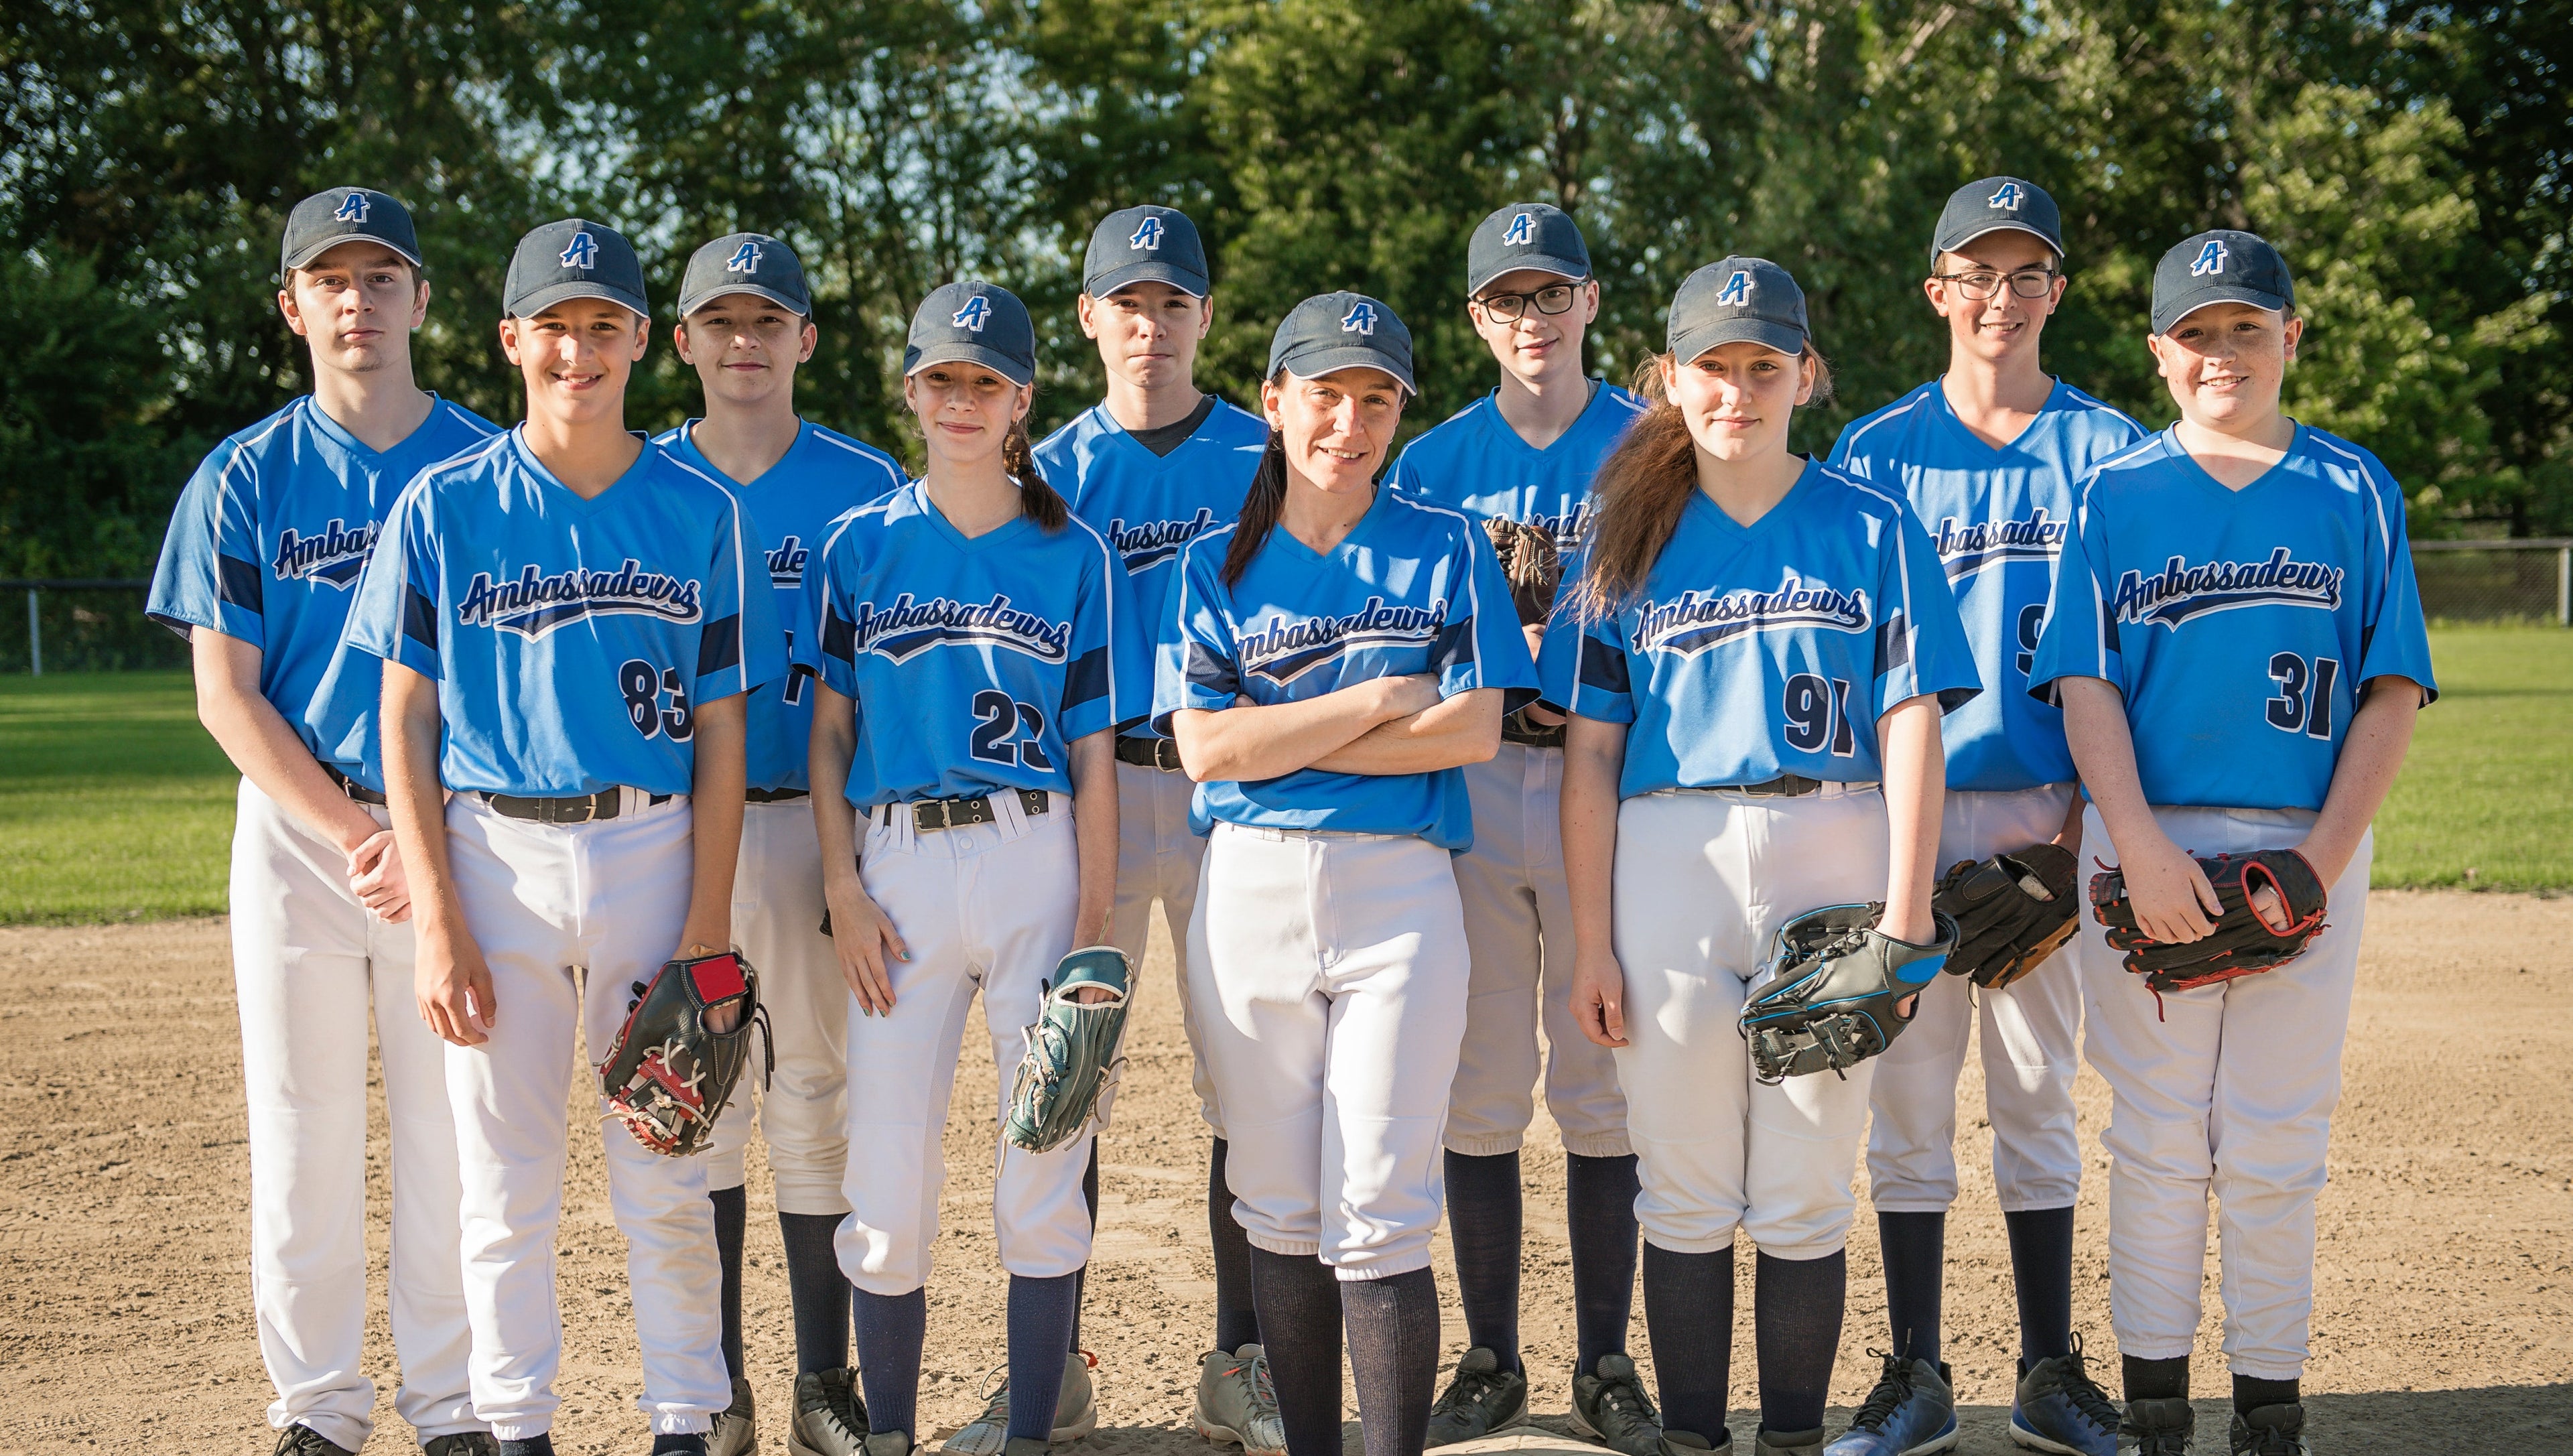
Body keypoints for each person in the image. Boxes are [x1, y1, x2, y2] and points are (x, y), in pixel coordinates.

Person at [346, 217, 783, 1456]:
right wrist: (438, 919)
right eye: (555, 328)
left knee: (665, 1168)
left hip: (651, 852)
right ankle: (514, 1425)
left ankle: (685, 1422)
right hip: (496, 859)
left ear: (643, 339)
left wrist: (706, 930)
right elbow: (405, 722)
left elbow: (721, 736)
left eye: (603, 327)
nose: (578, 353)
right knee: (503, 1180)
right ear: (509, 340)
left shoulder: (699, 511)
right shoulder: (445, 505)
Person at [1544, 258, 1979, 1456]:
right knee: (1680, 1180)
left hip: (1833, 844)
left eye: (1762, 366)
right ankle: (1694, 1436)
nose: (1737, 390)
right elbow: (1587, 757)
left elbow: (1911, 722)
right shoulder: (1627, 525)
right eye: (1713, 367)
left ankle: (1789, 1437)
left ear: (1804, 376)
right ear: (1671, 377)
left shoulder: (1869, 521)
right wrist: (1591, 940)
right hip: (1668, 854)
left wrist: (1903, 918)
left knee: (1803, 1181)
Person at [2028, 230, 2433, 1456]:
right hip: (2145, 842)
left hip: (2305, 845)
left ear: (2291, 339)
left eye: (2245, 329)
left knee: (2275, 1132)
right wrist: (2137, 846)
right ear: (2160, 353)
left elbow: (2392, 686)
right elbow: (2086, 680)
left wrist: (2322, 857)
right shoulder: (2114, 494)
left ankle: (2270, 1402)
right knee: (2153, 1131)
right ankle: (2156, 1399)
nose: (2221, 353)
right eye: (2196, 333)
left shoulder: (2356, 489)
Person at [146, 186, 501, 1456]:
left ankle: (455, 1408)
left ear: (422, 298)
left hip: (456, 832)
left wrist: (417, 831)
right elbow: (224, 694)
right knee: (301, 1131)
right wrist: (358, 826)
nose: (359, 301)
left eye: (382, 276)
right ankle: (319, 1411)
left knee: (451, 1133)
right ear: (293, 307)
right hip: (304, 836)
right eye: (332, 280)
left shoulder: (484, 464)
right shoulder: (244, 475)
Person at [1155, 291, 1538, 1456]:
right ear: (1274, 403)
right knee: (1276, 1199)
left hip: (1400, 893)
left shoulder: (1449, 542)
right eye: (1325, 393)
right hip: (1253, 890)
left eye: (1377, 398)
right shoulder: (1215, 558)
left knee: (1378, 1208)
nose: (1351, 421)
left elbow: (1474, 731)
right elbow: (1206, 749)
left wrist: (1282, 733)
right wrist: (1373, 702)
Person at [1822, 178, 2143, 1456]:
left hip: (2048, 814)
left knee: (2037, 1098)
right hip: (1904, 814)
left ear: (2054, 292)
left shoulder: (2116, 452)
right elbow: (1846, 656)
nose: (2000, 297)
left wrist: (2079, 840)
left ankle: (2051, 1368)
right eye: (1977, 272)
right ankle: (1914, 1370)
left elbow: (2131, 661)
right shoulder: (1875, 454)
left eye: (2025, 274)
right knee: (1905, 1097)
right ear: (1937, 292)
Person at [798, 281, 1136, 1456]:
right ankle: (892, 1433)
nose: (961, 399)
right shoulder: (860, 544)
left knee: (1042, 1166)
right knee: (886, 1181)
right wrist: (840, 883)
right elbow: (829, 733)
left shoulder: (1072, 548)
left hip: (1036, 852)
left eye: (984, 381)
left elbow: (1095, 757)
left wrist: (1091, 928)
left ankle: (1031, 1433)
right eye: (942, 378)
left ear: (1021, 401)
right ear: (911, 392)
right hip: (894, 869)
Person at [1386, 201, 1652, 1453]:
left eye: (1555, 294)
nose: (1533, 319)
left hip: (1616, 782)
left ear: (1594, 303)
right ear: (1477, 320)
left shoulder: (1657, 444)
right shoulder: (1431, 462)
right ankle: (1491, 1353)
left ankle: (1606, 1358)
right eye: (1509, 300)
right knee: (1481, 1078)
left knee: (1604, 1073)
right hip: (1483, 783)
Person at [1030, 204, 1284, 1456]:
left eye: (1173, 302)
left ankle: (1241, 1356)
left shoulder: (1263, 453)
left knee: (1245, 1072)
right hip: (1098, 791)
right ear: (1090, 320)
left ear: (1204, 317)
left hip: (1233, 791)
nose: (1151, 324)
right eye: (1127, 303)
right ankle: (1061, 1360)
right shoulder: (1050, 466)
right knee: (1074, 1071)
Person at [653, 230, 906, 1456]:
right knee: (697, 1099)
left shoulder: (865, 485)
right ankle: (714, 1384)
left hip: (815, 827)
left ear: (807, 338)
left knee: (814, 1091)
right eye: (720, 321)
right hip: (670, 835)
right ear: (685, 341)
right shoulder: (637, 479)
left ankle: (822, 1380)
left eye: (768, 321)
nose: (743, 342)